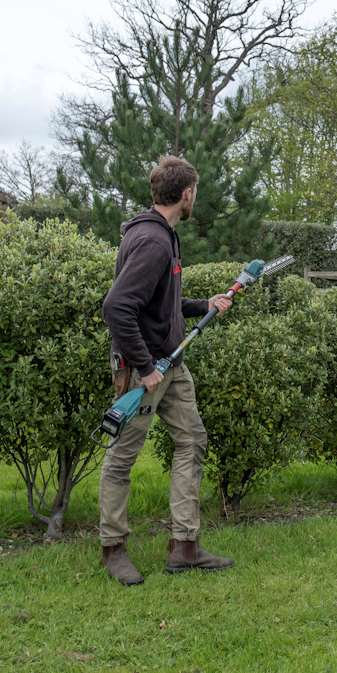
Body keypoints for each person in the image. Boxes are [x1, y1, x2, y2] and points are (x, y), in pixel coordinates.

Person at [98, 155, 237, 586]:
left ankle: (184, 547)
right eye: (197, 192)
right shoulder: (154, 241)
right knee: (122, 458)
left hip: (171, 365)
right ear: (187, 193)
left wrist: (204, 305)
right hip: (143, 372)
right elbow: (117, 307)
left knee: (192, 441)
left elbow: (160, 305)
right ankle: (112, 548)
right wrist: (144, 368)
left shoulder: (164, 235)